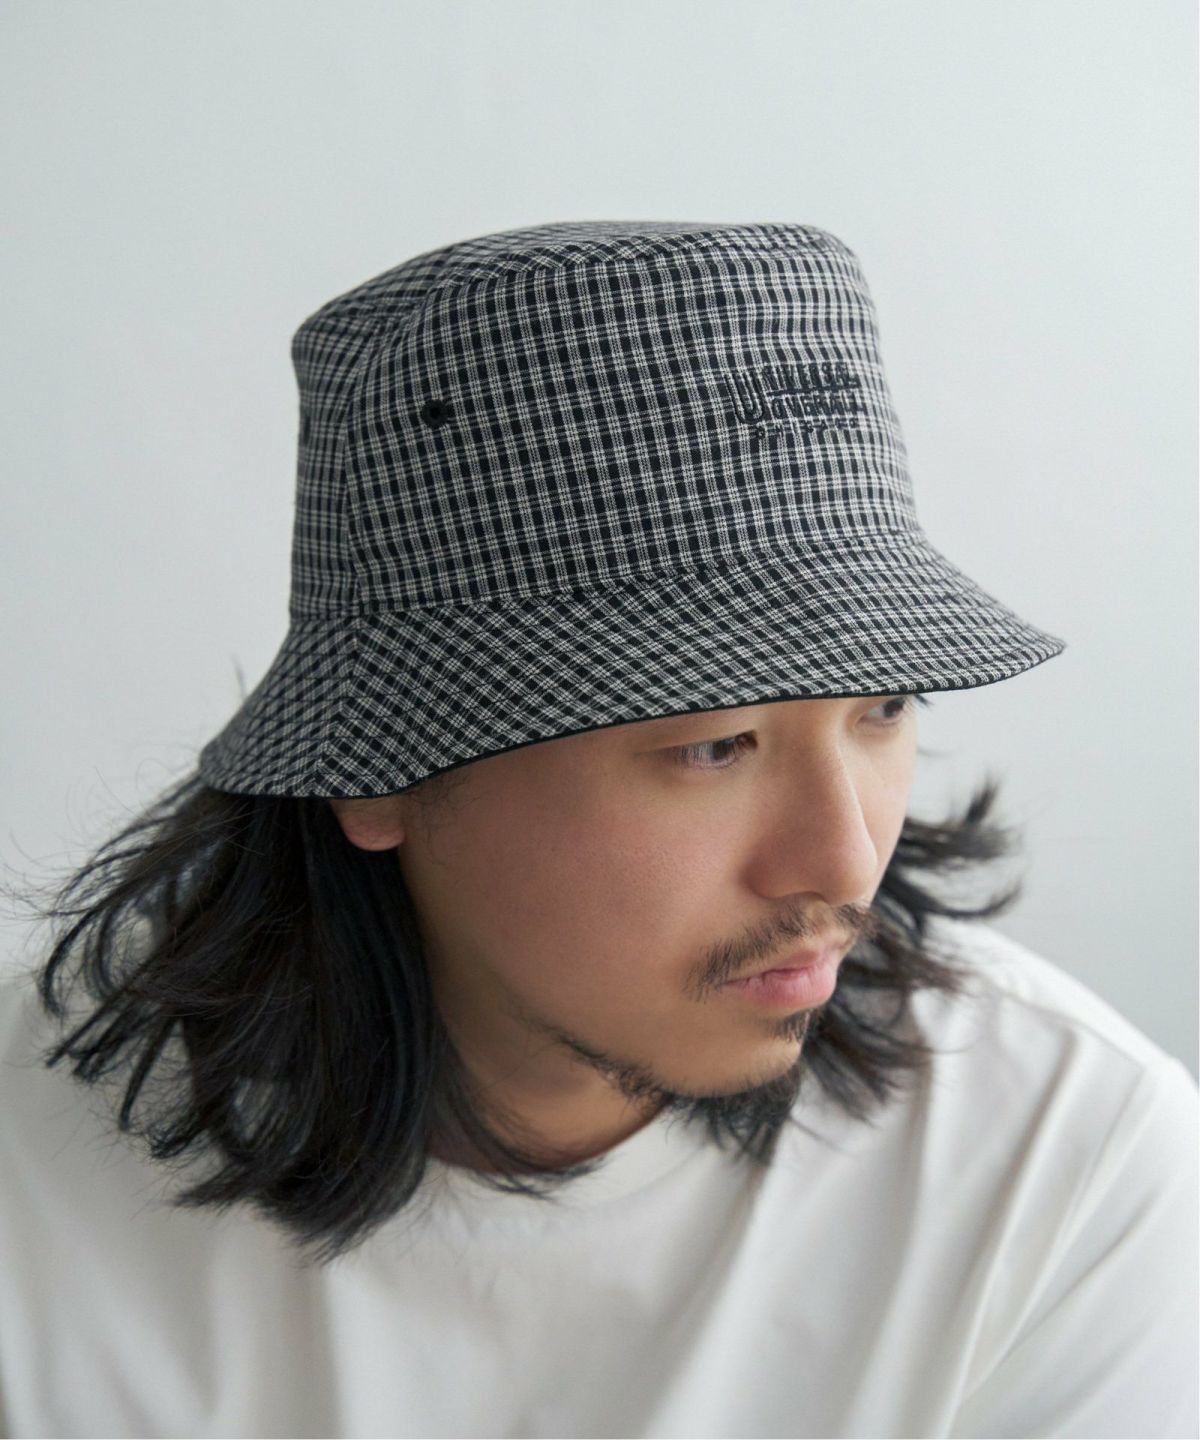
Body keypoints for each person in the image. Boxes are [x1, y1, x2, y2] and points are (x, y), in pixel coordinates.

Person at [1, 220, 1195, 1438]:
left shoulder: (1060, 1151)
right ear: (376, 772)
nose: (844, 862)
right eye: (714, 746)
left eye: (882, 709)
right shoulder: (33, 1184)